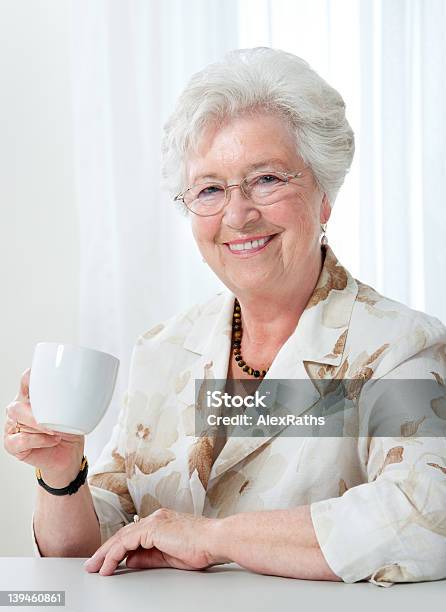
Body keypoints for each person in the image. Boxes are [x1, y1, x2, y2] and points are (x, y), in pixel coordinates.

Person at [4, 47, 446, 586]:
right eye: (210, 189)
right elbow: (92, 552)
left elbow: (429, 515)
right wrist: (61, 473)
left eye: (266, 179)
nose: (238, 215)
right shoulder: (164, 350)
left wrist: (212, 537)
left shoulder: (399, 346)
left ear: (324, 196)